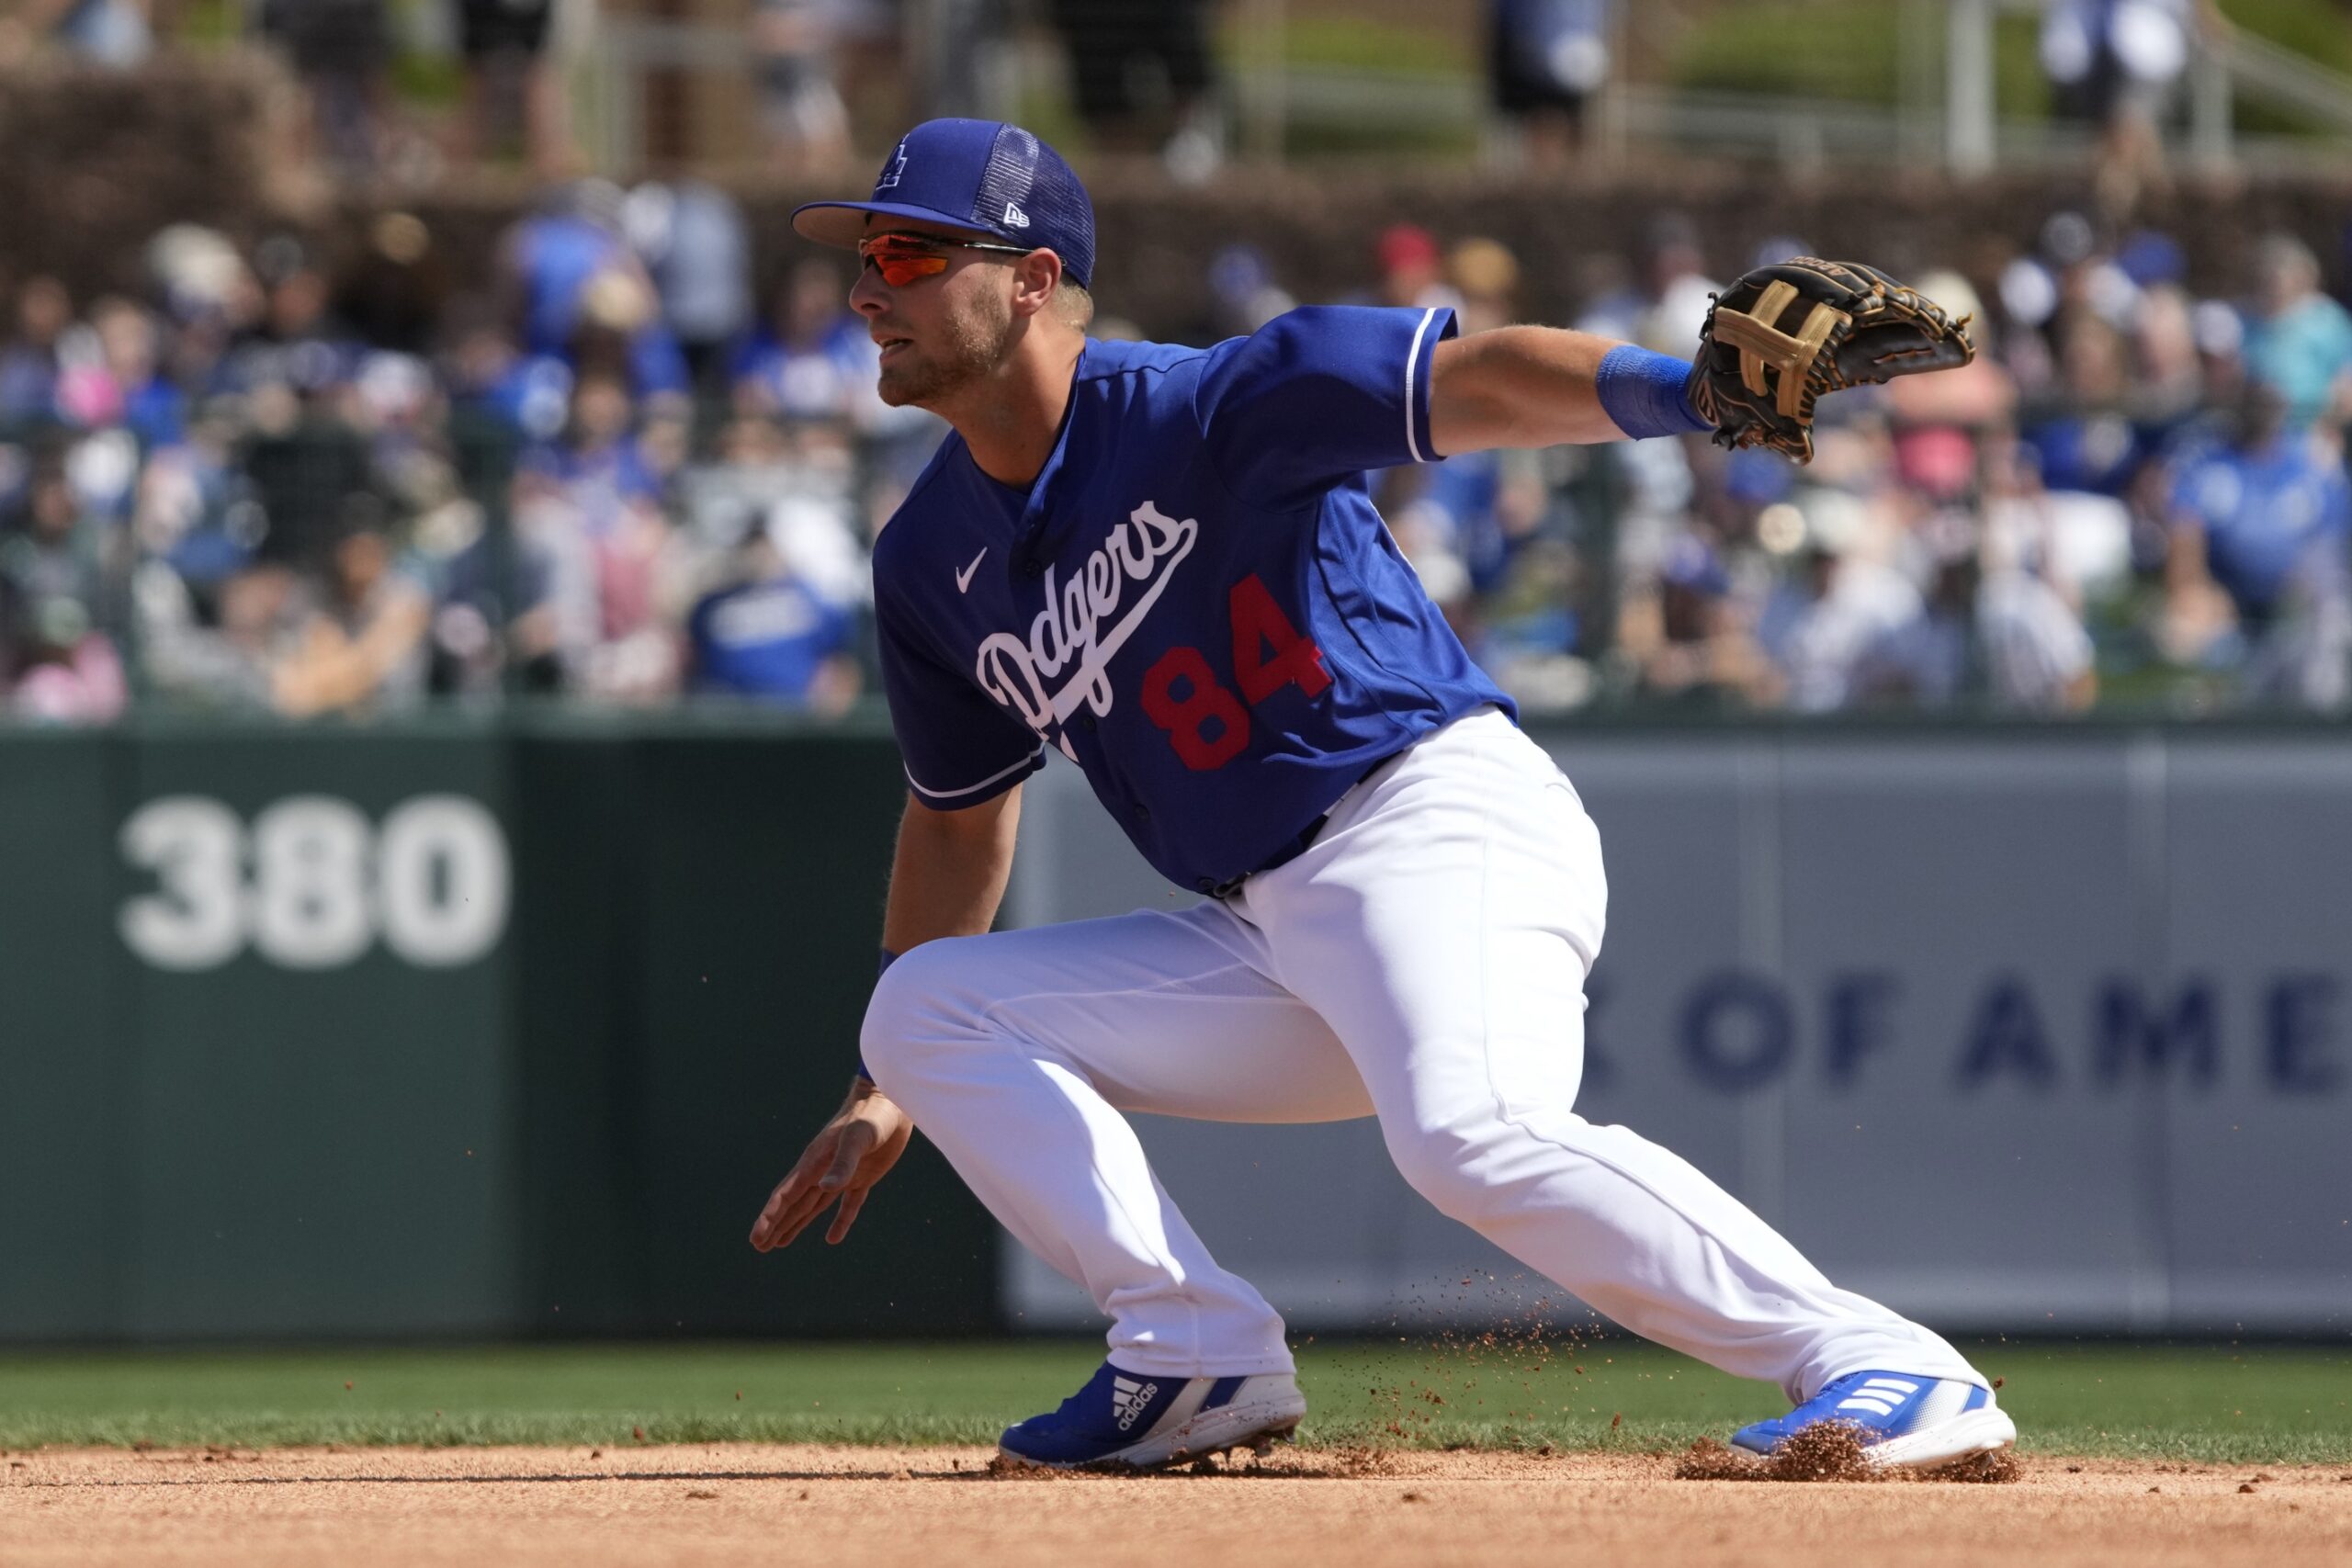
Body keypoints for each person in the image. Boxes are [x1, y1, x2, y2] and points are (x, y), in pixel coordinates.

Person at [747, 118, 2017, 1473]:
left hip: (1429, 821)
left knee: (1475, 1140)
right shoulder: (929, 556)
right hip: (1268, 927)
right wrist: (896, 1088)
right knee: (923, 1006)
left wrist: (1686, 393)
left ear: (1034, 279)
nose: (866, 287)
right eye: (864, 257)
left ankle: (1883, 1366)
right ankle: (1189, 1357)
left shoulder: (1211, 404)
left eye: (906, 251)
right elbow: (957, 815)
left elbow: (1481, 384)